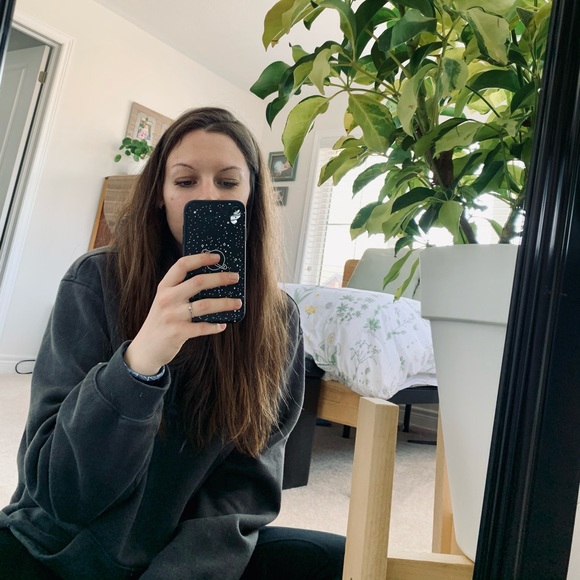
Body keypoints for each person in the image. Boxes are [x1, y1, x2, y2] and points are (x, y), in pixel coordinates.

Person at [0, 107, 345, 579]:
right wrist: (139, 363)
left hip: (186, 552)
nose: (207, 196)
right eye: (185, 181)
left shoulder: (277, 319)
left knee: (345, 561)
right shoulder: (94, 280)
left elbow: (245, 489)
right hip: (59, 549)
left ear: (252, 197)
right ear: (160, 195)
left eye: (228, 182)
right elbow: (61, 493)